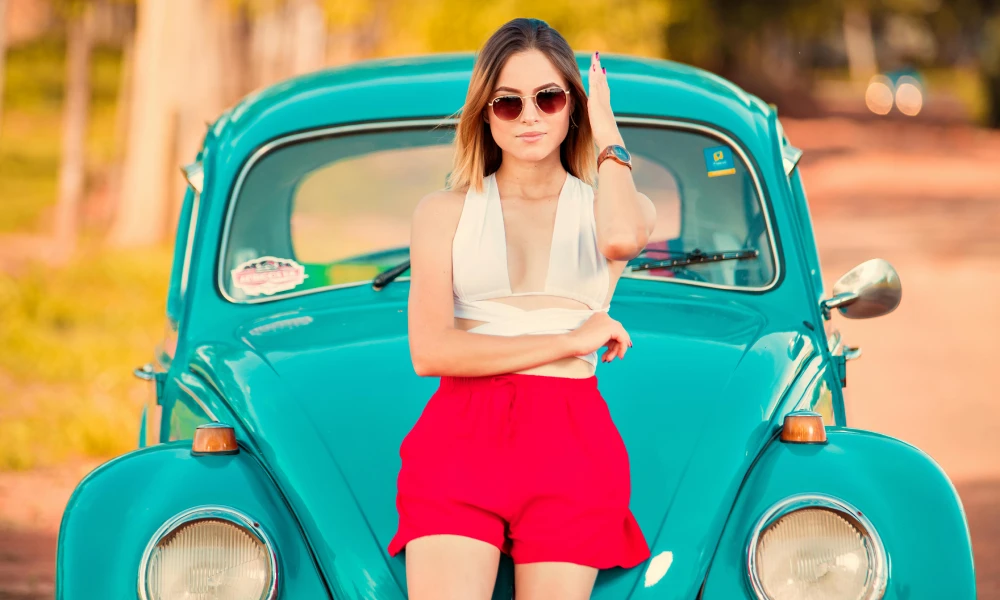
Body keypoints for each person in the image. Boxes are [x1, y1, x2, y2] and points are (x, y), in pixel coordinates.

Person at [388, 17, 656, 600]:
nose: (530, 116)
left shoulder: (611, 210)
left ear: (572, 108)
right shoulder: (442, 212)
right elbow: (430, 350)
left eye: (549, 97)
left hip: (572, 446)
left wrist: (606, 127)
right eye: (508, 103)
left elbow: (620, 241)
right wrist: (568, 340)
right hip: (460, 440)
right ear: (485, 112)